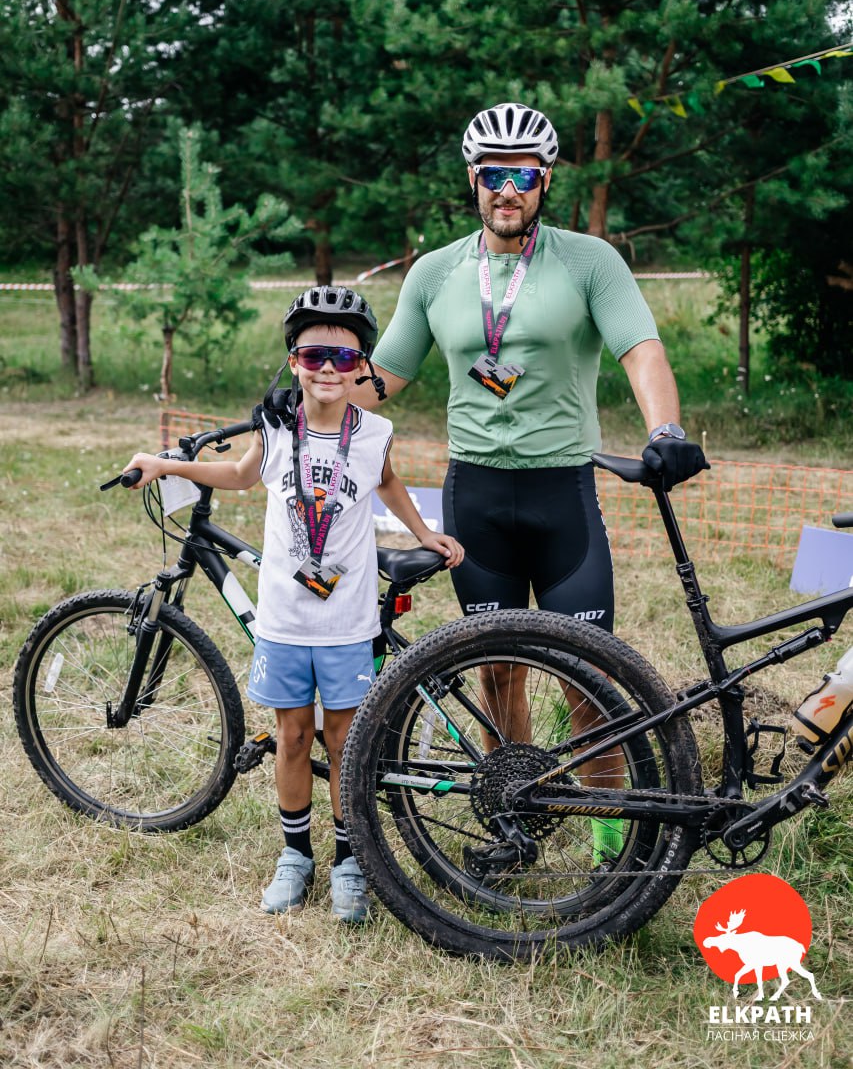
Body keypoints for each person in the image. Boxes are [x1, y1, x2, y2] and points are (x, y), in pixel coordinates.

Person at [350, 101, 707, 863]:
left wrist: (664, 430)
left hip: (560, 493)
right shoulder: (436, 272)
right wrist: (310, 394)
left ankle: (612, 837)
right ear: (471, 180)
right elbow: (384, 376)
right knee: (496, 668)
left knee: (589, 673)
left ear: (543, 181)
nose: (503, 189)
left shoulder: (587, 260)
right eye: (490, 175)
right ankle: (516, 814)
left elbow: (639, 350)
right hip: (474, 494)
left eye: (520, 175)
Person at [122, 286, 463, 922]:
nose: (328, 369)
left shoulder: (376, 432)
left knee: (343, 742)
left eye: (342, 357)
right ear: (293, 363)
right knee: (291, 734)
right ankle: (295, 856)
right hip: (284, 617)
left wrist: (424, 535)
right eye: (312, 357)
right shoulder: (276, 427)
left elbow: (387, 482)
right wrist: (165, 466)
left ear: (363, 364)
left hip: (347, 620)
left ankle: (349, 859)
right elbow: (240, 475)